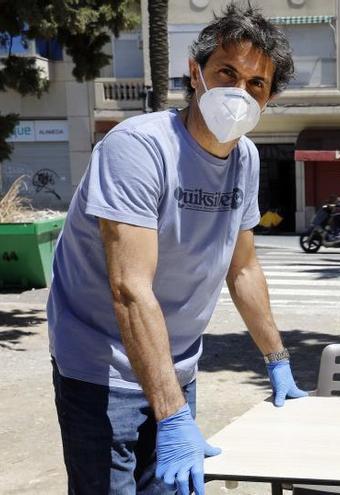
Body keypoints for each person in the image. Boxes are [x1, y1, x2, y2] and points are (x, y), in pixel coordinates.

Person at [47, 4, 306, 494]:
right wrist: (172, 416)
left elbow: (243, 268)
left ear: (269, 97)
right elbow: (129, 288)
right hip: (100, 370)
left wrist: (277, 358)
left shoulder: (244, 159)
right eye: (227, 72)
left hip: (176, 364)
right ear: (196, 73)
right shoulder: (138, 148)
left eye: (257, 83)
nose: (240, 92)